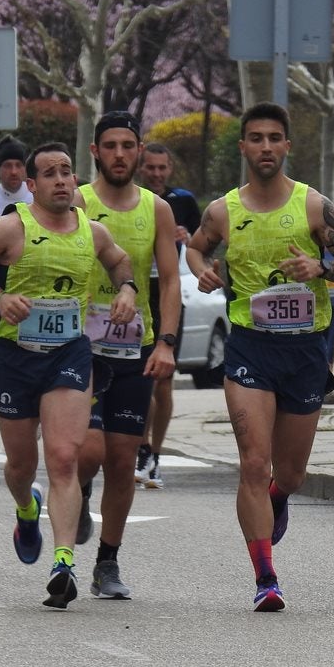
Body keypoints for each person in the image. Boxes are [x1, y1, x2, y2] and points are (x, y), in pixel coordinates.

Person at [186, 101, 334, 612]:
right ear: (243, 146)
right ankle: (266, 577)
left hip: (305, 348)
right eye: (256, 138)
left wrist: (322, 267)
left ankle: (278, 496)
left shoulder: (314, 206)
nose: (265, 147)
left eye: (274, 139)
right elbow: (195, 247)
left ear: (287, 146)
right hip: (250, 347)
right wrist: (202, 268)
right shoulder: (224, 211)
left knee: (289, 473)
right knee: (251, 462)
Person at [0, 142, 137, 610]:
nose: (61, 180)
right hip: (15, 356)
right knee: (20, 465)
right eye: (49, 173)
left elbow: (118, 259)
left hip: (68, 353)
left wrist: (127, 288)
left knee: (65, 458)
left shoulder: (91, 232)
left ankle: (63, 562)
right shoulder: (11, 227)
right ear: (31, 185)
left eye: (67, 171)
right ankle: (26, 510)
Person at [75, 112, 181, 600]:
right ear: (95, 152)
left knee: (121, 460)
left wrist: (166, 343)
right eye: (111, 146)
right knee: (89, 452)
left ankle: (107, 563)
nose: (120, 154)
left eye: (129, 145)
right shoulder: (77, 200)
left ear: (139, 151)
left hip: (134, 348)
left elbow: (170, 279)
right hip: (80, 346)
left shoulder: (157, 209)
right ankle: (75, 497)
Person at [133, 142, 203, 489]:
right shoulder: (131, 199)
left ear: (170, 169)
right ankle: (139, 445)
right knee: (138, 376)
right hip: (134, 291)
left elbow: (203, 245)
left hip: (168, 293)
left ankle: (153, 453)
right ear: (141, 167)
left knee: (163, 378)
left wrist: (187, 238)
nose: (157, 174)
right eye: (151, 168)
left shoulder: (184, 202)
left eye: (163, 168)